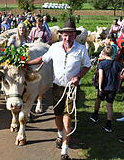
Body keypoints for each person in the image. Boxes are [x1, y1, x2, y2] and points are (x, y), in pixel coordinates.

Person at [26, 20, 91, 160]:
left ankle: (64, 150)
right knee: (58, 116)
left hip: (71, 88)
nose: (68, 38)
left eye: (71, 35)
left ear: (75, 35)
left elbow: (87, 65)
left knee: (68, 118)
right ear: (61, 35)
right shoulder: (54, 48)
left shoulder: (81, 49)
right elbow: (43, 59)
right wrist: (25, 63)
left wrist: (78, 76)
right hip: (57, 87)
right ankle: (60, 134)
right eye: (65, 35)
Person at [90, 46, 122, 133]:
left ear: (103, 53)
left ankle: (95, 115)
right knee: (109, 105)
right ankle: (108, 124)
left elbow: (101, 76)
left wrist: (100, 87)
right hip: (113, 87)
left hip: (104, 86)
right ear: (113, 53)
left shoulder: (102, 64)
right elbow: (119, 77)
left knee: (98, 99)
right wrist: (118, 86)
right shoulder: (118, 64)